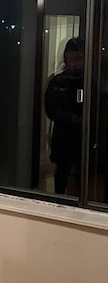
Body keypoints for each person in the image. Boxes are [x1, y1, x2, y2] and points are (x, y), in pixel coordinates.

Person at [44, 37, 84, 195]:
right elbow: (50, 109)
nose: (74, 62)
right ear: (65, 58)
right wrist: (72, 118)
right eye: (71, 58)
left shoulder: (88, 80)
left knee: (82, 174)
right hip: (63, 134)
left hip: (82, 136)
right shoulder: (57, 81)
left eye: (78, 58)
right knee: (61, 172)